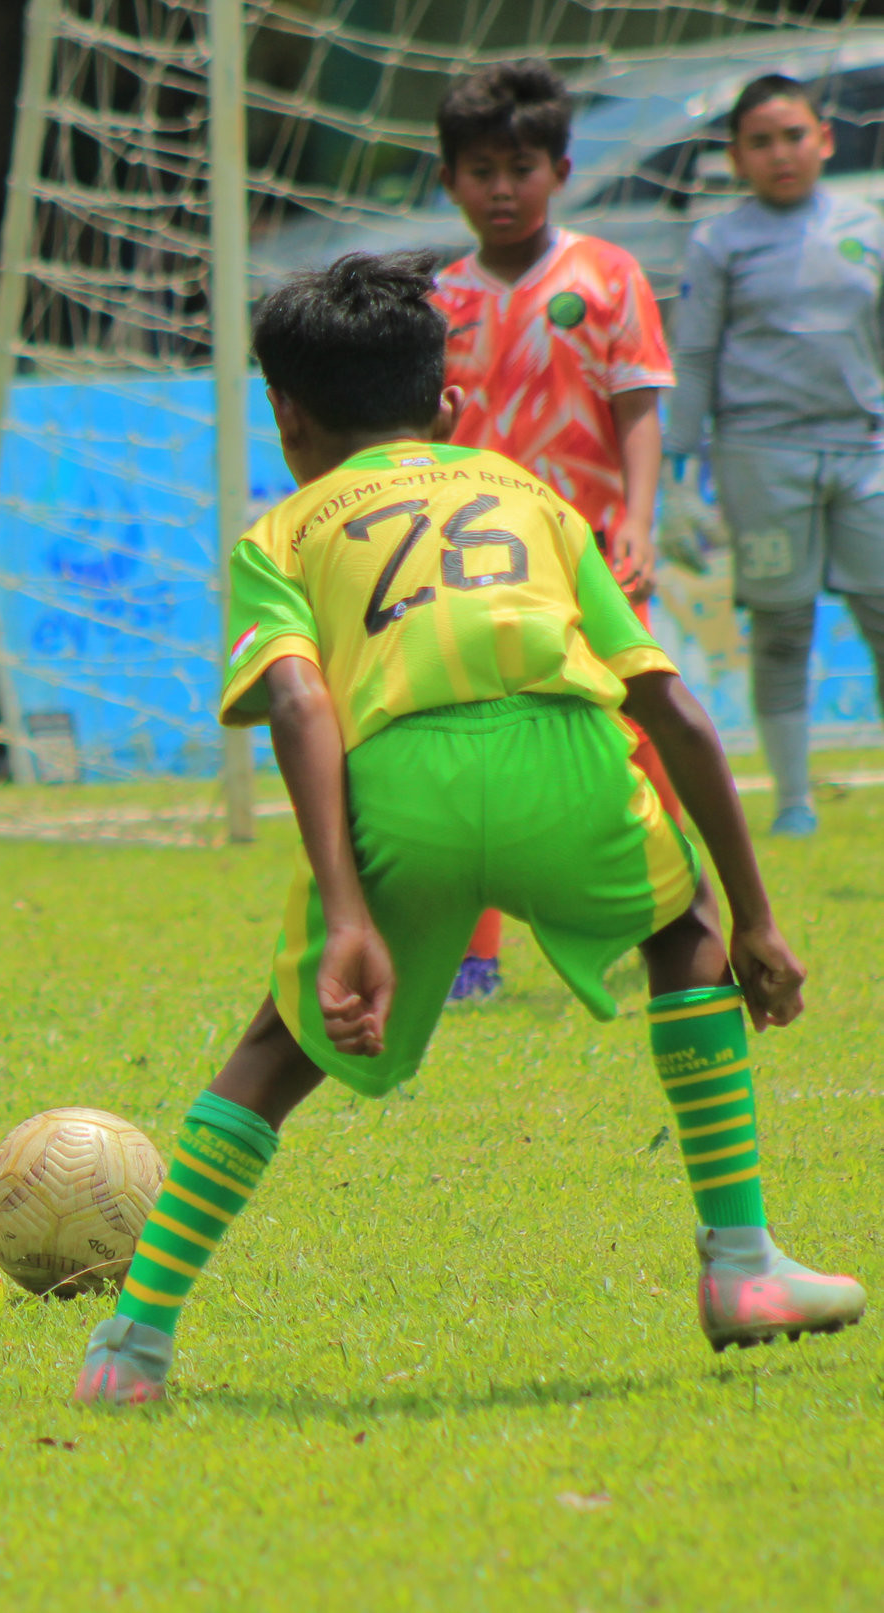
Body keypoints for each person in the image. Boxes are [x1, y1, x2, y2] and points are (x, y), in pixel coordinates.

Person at [72, 252, 863, 1408]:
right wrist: (753, 913)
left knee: (277, 1048)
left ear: (284, 415)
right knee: (682, 924)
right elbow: (667, 704)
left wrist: (347, 911)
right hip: (570, 766)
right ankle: (742, 1266)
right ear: (448, 404)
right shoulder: (533, 498)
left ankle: (130, 1348)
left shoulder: (278, 533)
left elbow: (297, 703)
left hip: (403, 785)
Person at [430, 62, 679, 1004]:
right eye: (481, 170)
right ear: (448, 179)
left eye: (520, 167)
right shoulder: (437, 301)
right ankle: (470, 952)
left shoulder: (607, 276)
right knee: (471, 743)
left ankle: (666, 915)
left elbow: (638, 409)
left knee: (635, 733)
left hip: (594, 555)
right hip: (475, 567)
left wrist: (639, 522)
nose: (501, 188)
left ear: (561, 170)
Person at [668, 74, 884, 839]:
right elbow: (692, 357)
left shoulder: (868, 226)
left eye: (793, 136)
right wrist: (676, 472)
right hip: (761, 455)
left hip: (863, 452)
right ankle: (792, 801)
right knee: (782, 625)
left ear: (824, 140)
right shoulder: (718, 242)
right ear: (735, 158)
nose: (779, 154)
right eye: (759, 142)